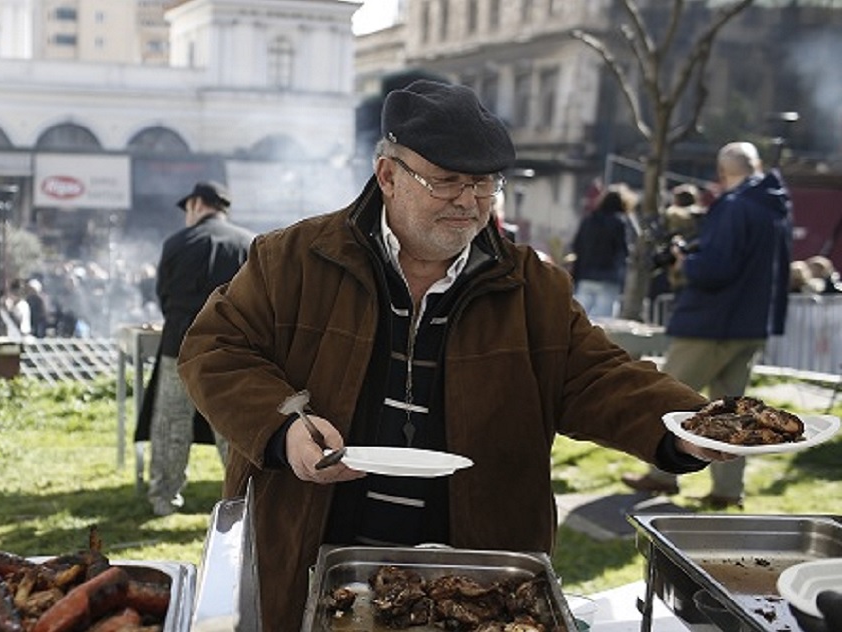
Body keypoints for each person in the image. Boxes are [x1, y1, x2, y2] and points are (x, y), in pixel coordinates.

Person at [177, 80, 733, 627]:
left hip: (475, 575)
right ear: (388, 176)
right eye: (445, 182)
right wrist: (284, 428)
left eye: (484, 183)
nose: (468, 202)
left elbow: (597, 377)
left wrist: (684, 426)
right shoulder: (293, 259)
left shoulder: (533, 286)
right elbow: (215, 349)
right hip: (310, 558)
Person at [623, 141, 792, 510]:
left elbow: (716, 269)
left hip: (713, 322)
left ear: (721, 172)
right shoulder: (774, 206)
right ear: (757, 165)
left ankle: (661, 475)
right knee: (739, 414)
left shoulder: (733, 206)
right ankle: (728, 491)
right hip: (749, 324)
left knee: (668, 400)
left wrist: (686, 261)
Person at [145, 180, 255, 516]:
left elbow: (164, 295)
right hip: (231, 347)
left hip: (179, 344)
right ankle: (242, 497)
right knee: (232, 425)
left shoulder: (177, 242)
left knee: (171, 424)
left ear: (196, 204)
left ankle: (164, 498)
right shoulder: (248, 242)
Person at [569, 184, 633, 319]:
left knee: (579, 319)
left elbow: (576, 245)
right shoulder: (620, 222)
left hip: (585, 275)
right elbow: (623, 251)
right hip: (608, 277)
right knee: (603, 321)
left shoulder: (589, 220)